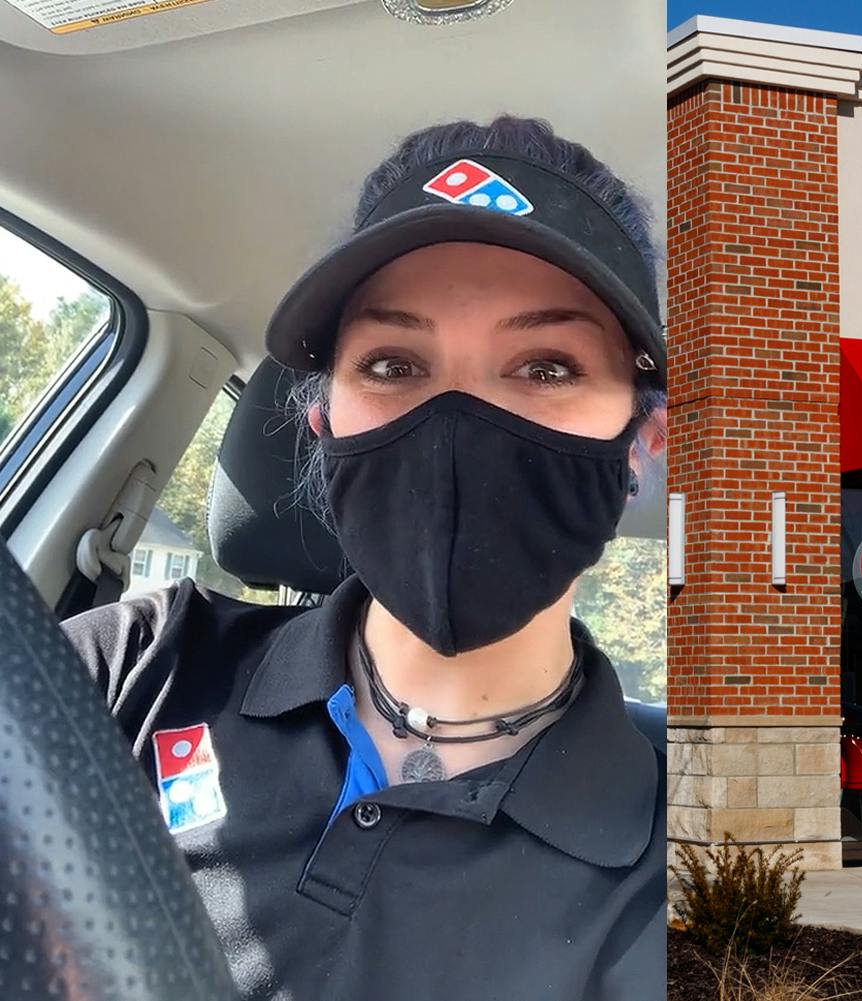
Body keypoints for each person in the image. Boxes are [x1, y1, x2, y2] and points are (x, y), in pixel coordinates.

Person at [58, 117, 668, 1000]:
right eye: (392, 361)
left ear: (643, 445)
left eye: (544, 367)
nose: (456, 424)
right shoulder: (134, 667)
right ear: (324, 425)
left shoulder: (671, 845)